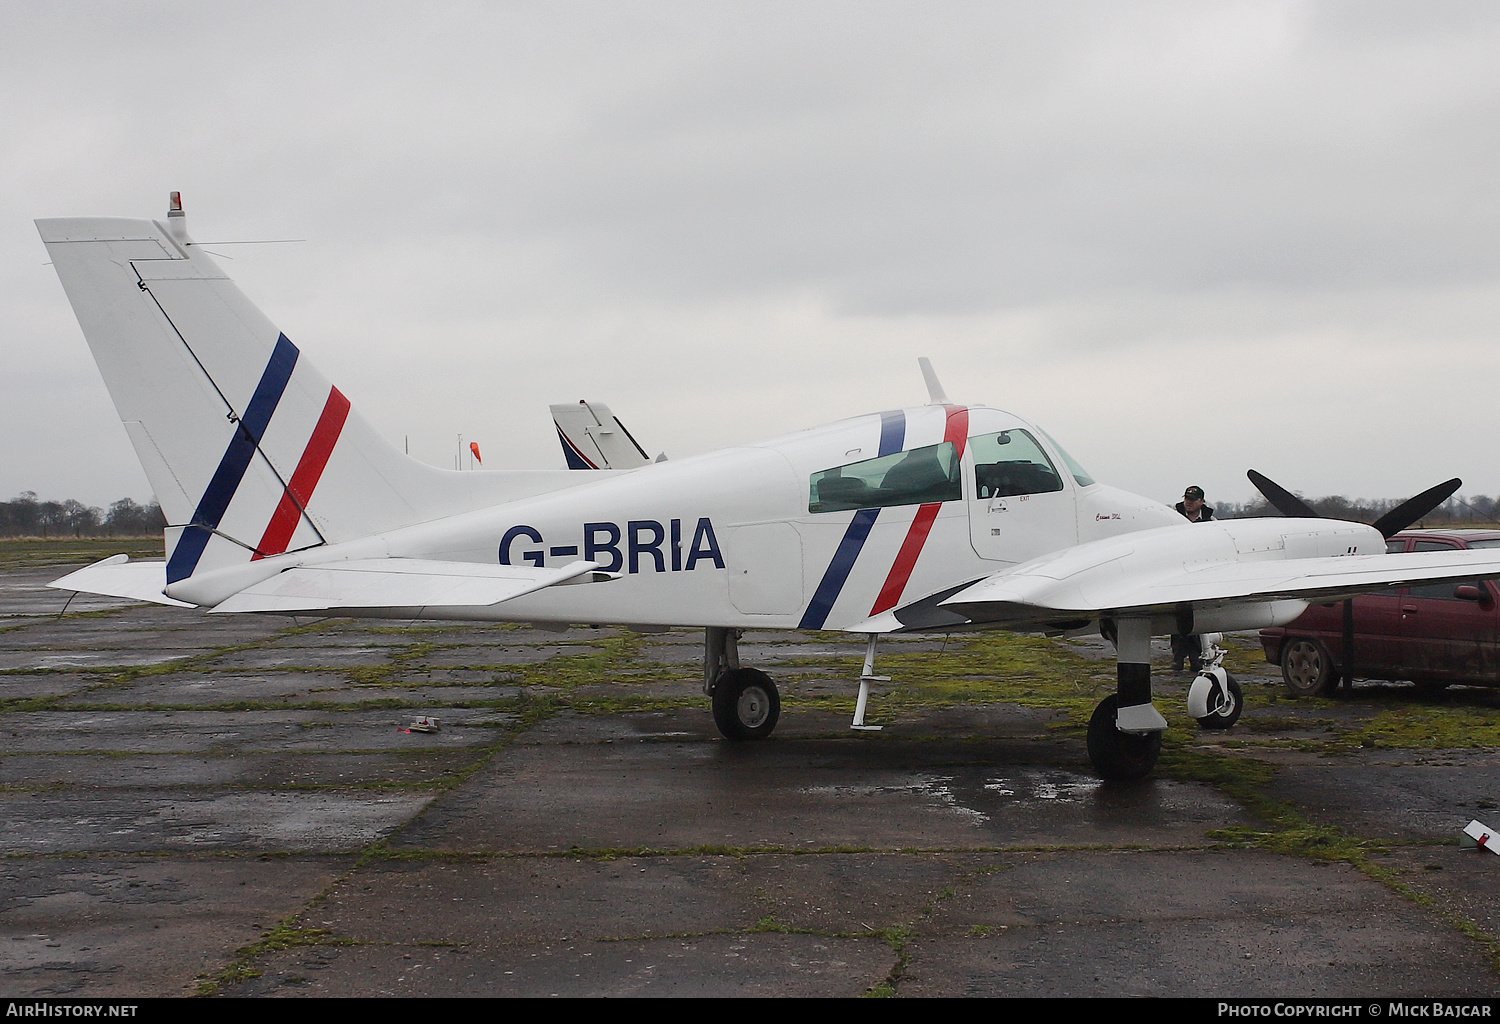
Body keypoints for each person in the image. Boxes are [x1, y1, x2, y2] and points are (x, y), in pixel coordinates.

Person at [1172, 486, 1214, 670]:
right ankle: (1178, 656)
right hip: (1178, 573)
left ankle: (1196, 657)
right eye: (1187, 498)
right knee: (1178, 616)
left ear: (1201, 502)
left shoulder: (1211, 522)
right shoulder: (1173, 519)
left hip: (1200, 573)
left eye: (1193, 499)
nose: (1188, 502)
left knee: (1198, 617)